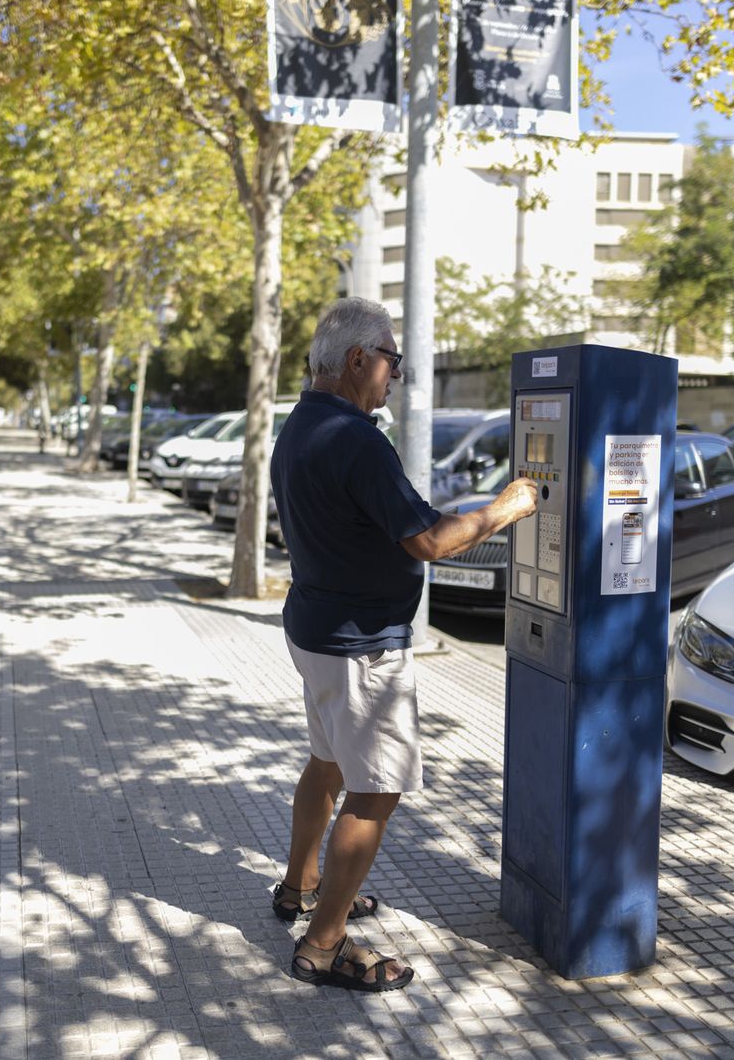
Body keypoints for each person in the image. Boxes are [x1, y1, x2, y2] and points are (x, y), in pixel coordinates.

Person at [269, 297, 539, 993]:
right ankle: (323, 943)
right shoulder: (357, 438)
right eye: (394, 361)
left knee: (327, 762)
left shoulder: (299, 424)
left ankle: (301, 884)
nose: (397, 374)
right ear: (358, 359)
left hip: (315, 630)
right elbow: (428, 540)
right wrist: (504, 509)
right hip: (361, 647)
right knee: (376, 789)